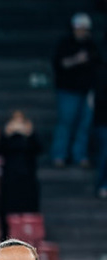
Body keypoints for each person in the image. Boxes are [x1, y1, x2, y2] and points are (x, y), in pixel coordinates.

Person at [51, 13, 97, 168]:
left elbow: (97, 68)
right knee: (65, 123)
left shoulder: (92, 46)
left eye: (84, 29)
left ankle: (80, 155)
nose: (81, 31)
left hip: (87, 91)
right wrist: (77, 59)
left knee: (84, 125)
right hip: (68, 91)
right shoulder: (65, 44)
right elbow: (59, 65)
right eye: (78, 28)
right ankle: (59, 155)